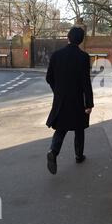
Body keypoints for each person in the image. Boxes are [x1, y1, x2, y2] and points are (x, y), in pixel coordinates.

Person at [45, 27, 94, 175]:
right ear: (81, 40)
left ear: (68, 37)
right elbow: (86, 82)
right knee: (79, 128)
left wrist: (57, 91)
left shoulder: (56, 55)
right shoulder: (83, 57)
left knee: (61, 128)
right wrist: (89, 103)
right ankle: (79, 156)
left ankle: (53, 151)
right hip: (78, 100)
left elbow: (49, 78)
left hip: (61, 99)